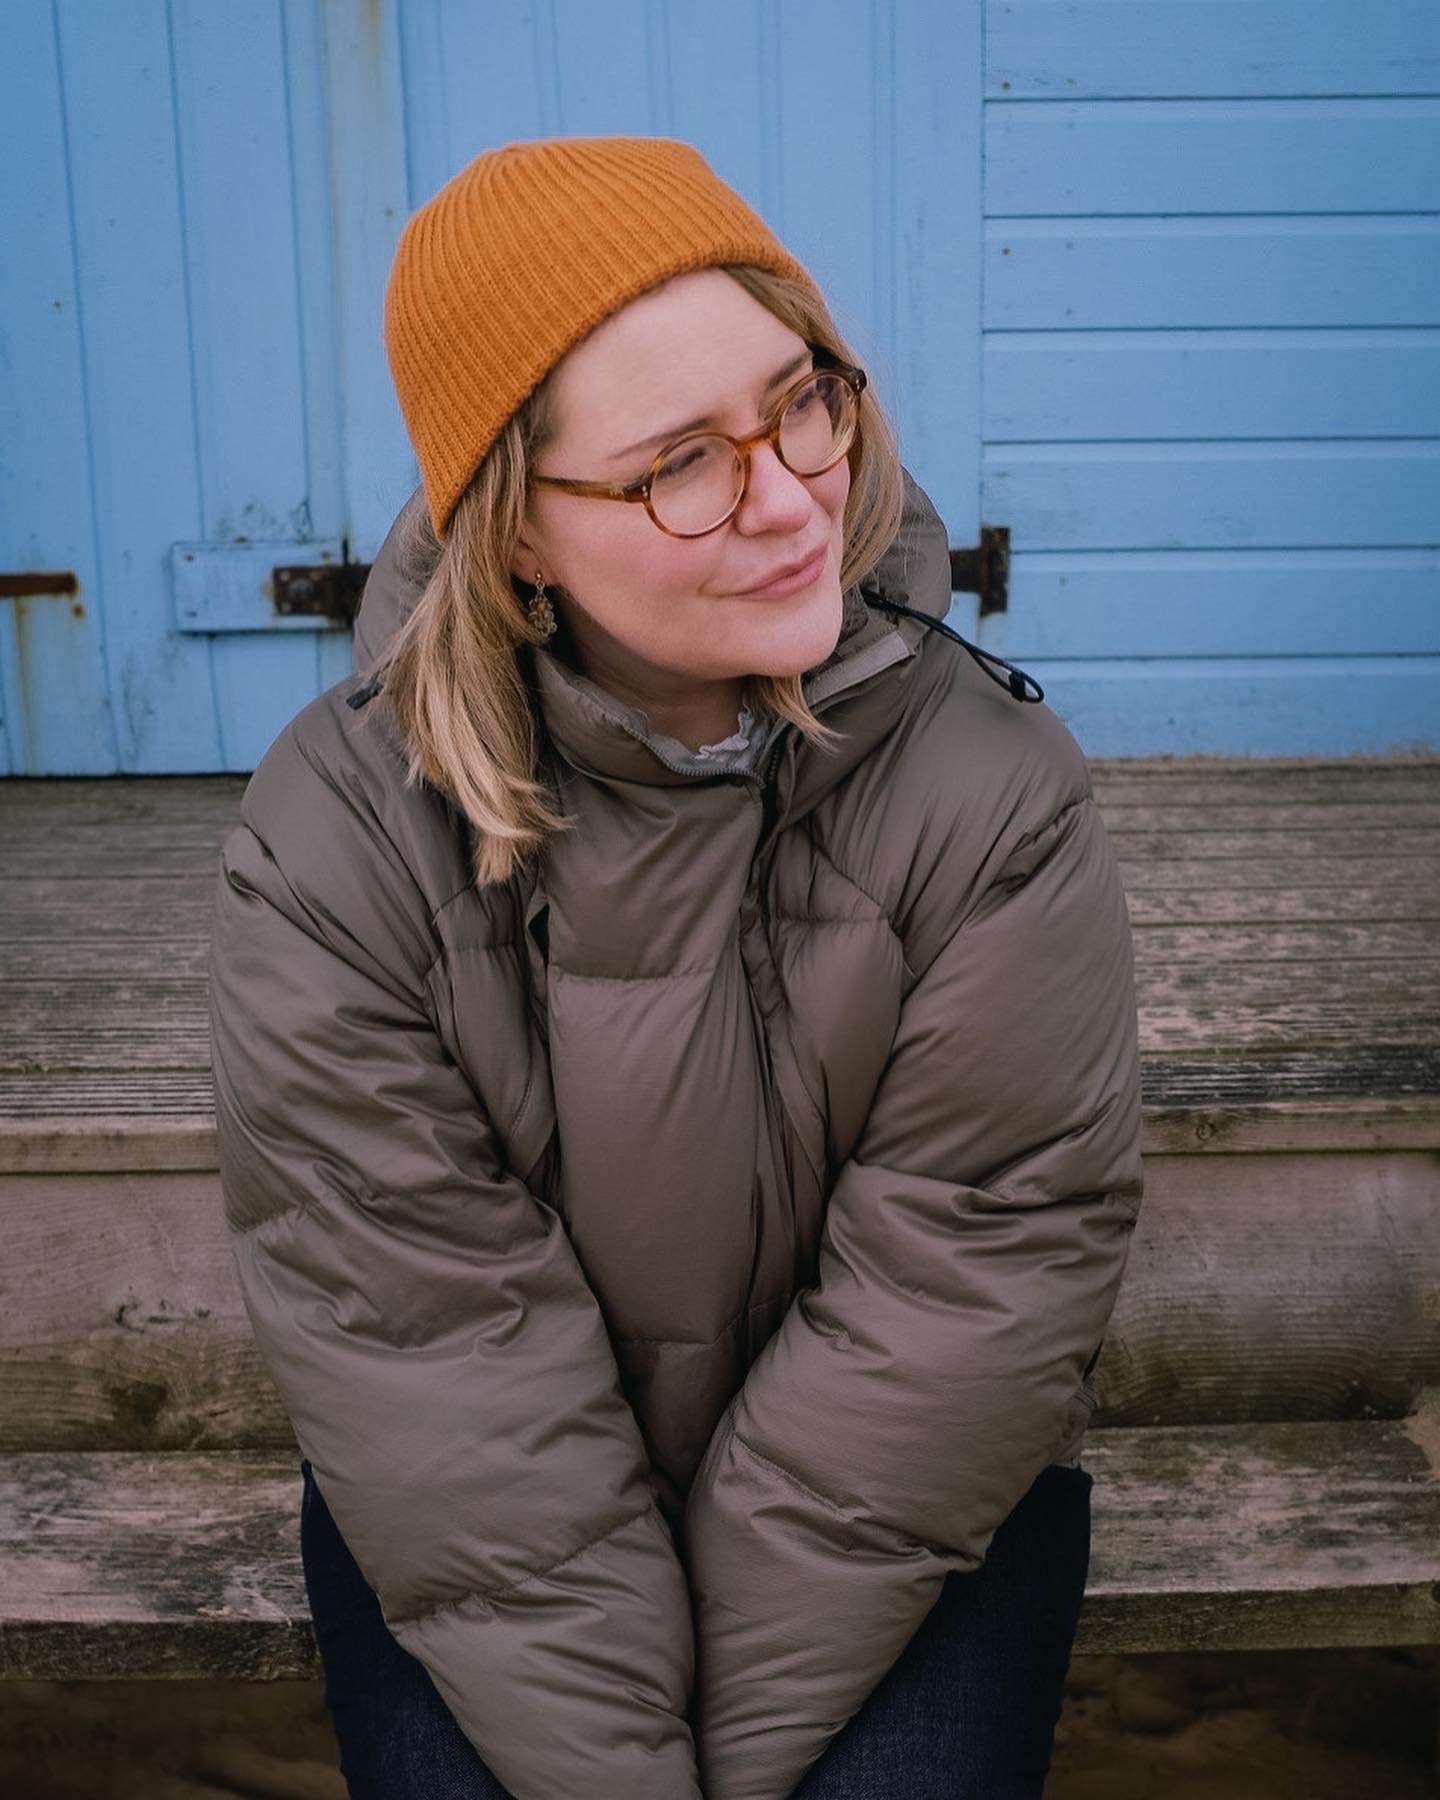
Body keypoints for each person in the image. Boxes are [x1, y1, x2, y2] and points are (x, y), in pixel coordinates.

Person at [207, 135, 1145, 1800]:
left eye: (801, 405)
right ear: (517, 534)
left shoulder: (993, 793)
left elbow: (964, 1287)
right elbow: (436, 1347)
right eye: (678, 467)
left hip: (914, 1496)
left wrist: (729, 1754)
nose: (789, 501)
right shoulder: (332, 843)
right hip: (481, 1516)